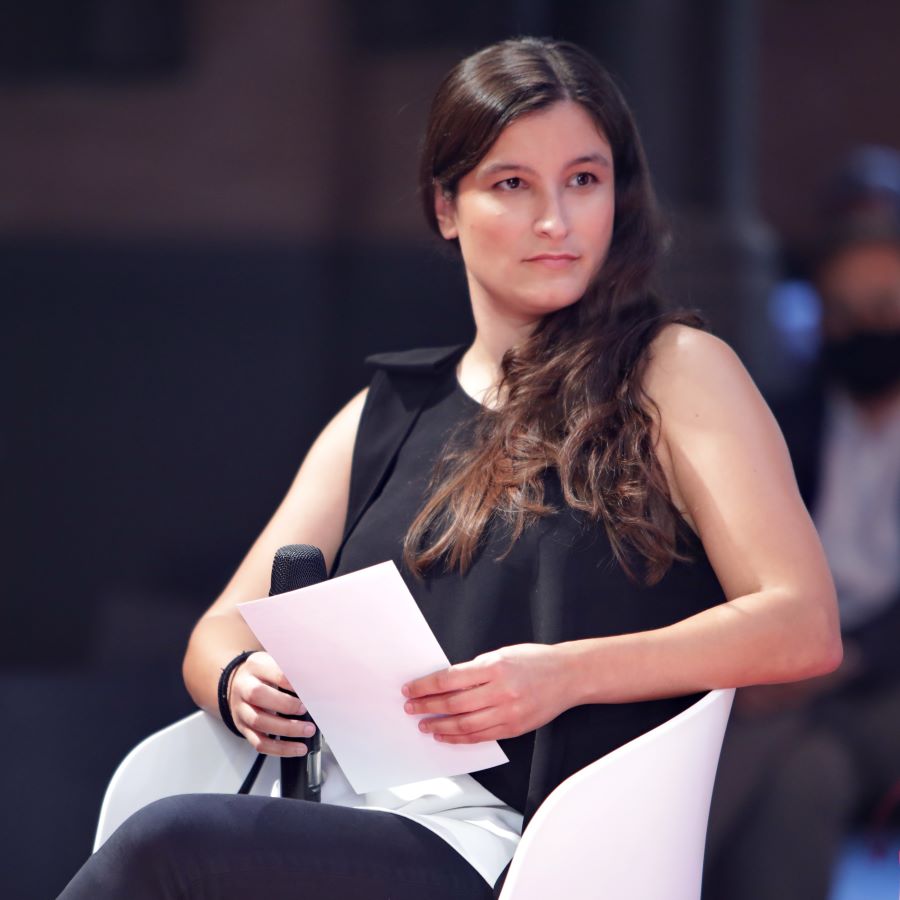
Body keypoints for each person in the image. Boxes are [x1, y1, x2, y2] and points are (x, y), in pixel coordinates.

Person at [60, 36, 841, 900]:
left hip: (530, 850)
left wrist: (564, 675)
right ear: (445, 206)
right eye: (513, 184)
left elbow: (801, 624)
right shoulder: (385, 414)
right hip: (351, 815)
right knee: (170, 835)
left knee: (169, 843)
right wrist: (242, 682)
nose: (556, 220)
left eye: (584, 179)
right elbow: (219, 632)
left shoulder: (674, 371)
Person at [704, 155, 900, 900]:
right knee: (803, 776)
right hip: (796, 673)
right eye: (842, 310)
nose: (864, 327)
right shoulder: (789, 421)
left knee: (765, 737)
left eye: (884, 305)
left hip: (883, 674)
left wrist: (837, 659)